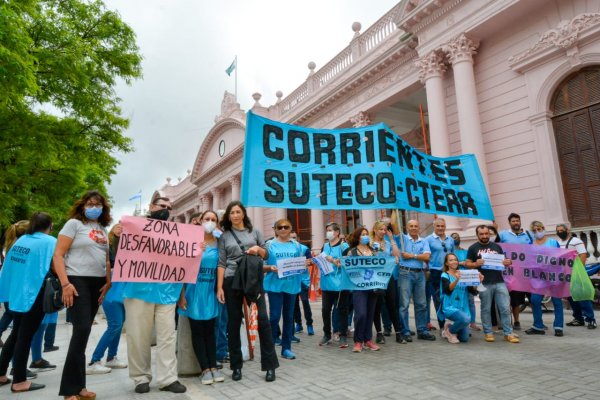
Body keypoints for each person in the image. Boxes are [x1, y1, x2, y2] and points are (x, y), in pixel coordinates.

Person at [121, 197, 186, 394]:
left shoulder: (177, 234)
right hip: (139, 290)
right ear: (151, 207)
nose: (165, 210)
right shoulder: (136, 227)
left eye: (169, 207)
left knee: (167, 336)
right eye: (161, 206)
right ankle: (140, 377)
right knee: (138, 335)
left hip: (167, 291)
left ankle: (168, 378)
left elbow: (183, 263)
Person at [52, 191, 113, 400]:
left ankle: (80, 387)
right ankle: (69, 390)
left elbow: (106, 260)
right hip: (77, 280)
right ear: (82, 205)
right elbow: (58, 255)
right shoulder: (73, 224)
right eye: (90, 203)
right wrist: (65, 283)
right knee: (82, 330)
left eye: (98, 204)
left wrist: (108, 282)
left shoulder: (102, 229)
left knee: (83, 335)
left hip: (97, 283)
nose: (94, 206)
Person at [216, 201, 278, 382]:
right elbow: (221, 262)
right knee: (233, 323)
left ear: (243, 213)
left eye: (238, 212)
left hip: (252, 279)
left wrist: (259, 249)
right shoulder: (224, 236)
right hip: (231, 279)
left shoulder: (255, 232)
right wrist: (219, 287)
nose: (235, 215)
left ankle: (270, 366)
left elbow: (266, 255)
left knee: (263, 320)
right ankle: (236, 366)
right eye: (231, 213)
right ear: (228, 216)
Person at [0, 212, 55, 393]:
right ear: (50, 225)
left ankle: (1, 373)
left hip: (15, 294)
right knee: (24, 337)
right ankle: (20, 381)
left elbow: (8, 268)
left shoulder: (21, 241)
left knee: (16, 334)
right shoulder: (49, 242)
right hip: (33, 295)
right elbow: (58, 264)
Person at [178, 210, 225, 385]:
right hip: (192, 292)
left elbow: (222, 265)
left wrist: (219, 288)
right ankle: (204, 369)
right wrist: (181, 296)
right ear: (200, 220)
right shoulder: (190, 241)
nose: (210, 222)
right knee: (197, 332)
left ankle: (213, 366)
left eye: (213, 219)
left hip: (210, 292)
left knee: (210, 331)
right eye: (207, 219)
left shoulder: (220, 243)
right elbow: (181, 270)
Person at [264, 220, 311, 360]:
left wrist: (306, 263)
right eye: (280, 227)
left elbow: (303, 263)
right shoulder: (269, 245)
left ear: (290, 229)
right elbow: (262, 265)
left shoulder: (297, 246)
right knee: (274, 316)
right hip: (274, 286)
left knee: (289, 317)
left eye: (286, 227)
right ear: (276, 229)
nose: (283, 229)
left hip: (292, 286)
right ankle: (270, 346)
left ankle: (286, 348)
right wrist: (269, 268)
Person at [465, 225, 519, 344]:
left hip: (499, 281)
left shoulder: (496, 246)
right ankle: (488, 332)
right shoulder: (472, 248)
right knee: (486, 309)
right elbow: (467, 263)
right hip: (483, 283)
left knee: (505, 308)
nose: (484, 236)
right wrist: (475, 264)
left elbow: (503, 261)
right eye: (481, 234)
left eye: (486, 233)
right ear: (477, 235)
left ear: (489, 234)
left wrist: (507, 262)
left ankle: (508, 333)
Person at [86, 223, 127, 374]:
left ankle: (111, 357)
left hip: (122, 294)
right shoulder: (106, 249)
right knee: (114, 326)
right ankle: (94, 360)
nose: (121, 230)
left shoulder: (129, 248)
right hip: (111, 293)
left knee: (118, 325)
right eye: (118, 227)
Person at [524, 221, 564, 337]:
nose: (537, 231)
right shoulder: (531, 244)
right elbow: (529, 260)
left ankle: (558, 327)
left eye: (539, 229)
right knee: (535, 300)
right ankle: (538, 326)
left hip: (553, 275)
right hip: (538, 277)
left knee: (557, 301)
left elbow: (560, 258)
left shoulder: (553, 242)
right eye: (534, 230)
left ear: (543, 228)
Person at [345, 227, 381, 353]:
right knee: (361, 314)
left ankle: (368, 340)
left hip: (372, 286)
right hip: (358, 287)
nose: (365, 236)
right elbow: (348, 268)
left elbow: (381, 266)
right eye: (362, 235)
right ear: (357, 237)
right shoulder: (352, 252)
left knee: (370, 314)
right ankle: (358, 341)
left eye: (366, 234)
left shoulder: (373, 250)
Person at [398, 220, 435, 342]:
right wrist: (418, 255)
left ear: (419, 228)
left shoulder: (424, 241)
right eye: (411, 226)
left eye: (416, 226)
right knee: (404, 304)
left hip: (420, 274)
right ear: (407, 228)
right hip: (405, 273)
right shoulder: (402, 239)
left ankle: (422, 330)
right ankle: (405, 331)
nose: (414, 228)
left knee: (422, 304)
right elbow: (394, 225)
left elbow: (427, 257)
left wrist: (411, 256)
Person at [495, 213, 532, 331]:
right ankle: (516, 321)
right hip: (511, 273)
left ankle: (538, 322)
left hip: (527, 271)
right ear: (509, 223)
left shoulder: (528, 235)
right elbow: (495, 247)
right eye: (513, 221)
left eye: (517, 221)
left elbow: (535, 249)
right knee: (515, 299)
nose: (516, 223)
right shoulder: (502, 235)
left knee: (533, 298)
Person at [556, 223, 596, 329]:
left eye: (561, 230)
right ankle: (578, 318)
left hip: (576, 272)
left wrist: (579, 272)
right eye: (558, 231)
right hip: (565, 273)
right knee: (571, 297)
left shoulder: (576, 241)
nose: (560, 232)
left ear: (567, 230)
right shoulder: (558, 243)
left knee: (582, 296)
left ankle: (591, 320)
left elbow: (583, 255)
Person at [370, 221, 404, 344]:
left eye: (385, 230)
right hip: (375, 278)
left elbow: (396, 254)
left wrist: (391, 238)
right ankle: (379, 333)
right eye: (381, 229)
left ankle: (398, 333)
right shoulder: (369, 243)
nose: (383, 232)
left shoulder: (387, 243)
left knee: (392, 305)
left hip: (388, 277)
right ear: (375, 230)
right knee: (377, 306)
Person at [318, 222, 350, 348]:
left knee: (342, 309)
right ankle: (327, 334)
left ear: (337, 232)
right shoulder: (324, 246)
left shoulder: (344, 246)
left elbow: (348, 262)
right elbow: (321, 260)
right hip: (327, 283)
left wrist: (337, 262)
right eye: (327, 230)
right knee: (325, 310)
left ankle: (342, 335)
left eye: (330, 230)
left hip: (341, 284)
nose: (328, 232)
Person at [439, 253, 483, 343]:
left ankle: (450, 326)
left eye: (455, 260)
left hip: (463, 307)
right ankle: (449, 332)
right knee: (466, 319)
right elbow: (448, 290)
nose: (454, 262)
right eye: (451, 260)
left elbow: (473, 291)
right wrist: (457, 280)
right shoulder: (444, 275)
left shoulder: (463, 273)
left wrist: (478, 282)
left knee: (464, 339)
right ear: (446, 263)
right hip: (450, 307)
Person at [0, 221, 29, 348]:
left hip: (9, 285)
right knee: (16, 321)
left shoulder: (11, 244)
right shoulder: (21, 246)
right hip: (15, 287)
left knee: (10, 314)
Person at [425, 218, 454, 332]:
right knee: (438, 300)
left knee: (451, 298)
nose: (440, 228)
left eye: (442, 226)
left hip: (449, 272)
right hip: (435, 273)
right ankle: (442, 327)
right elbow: (426, 257)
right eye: (438, 226)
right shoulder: (428, 239)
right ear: (434, 226)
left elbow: (453, 256)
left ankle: (454, 326)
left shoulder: (450, 240)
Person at [451, 232, 480, 331]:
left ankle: (472, 322)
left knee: (470, 301)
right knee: (458, 301)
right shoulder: (450, 253)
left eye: (457, 237)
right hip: (455, 280)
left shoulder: (466, 251)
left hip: (468, 280)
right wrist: (461, 263)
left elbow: (471, 263)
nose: (455, 239)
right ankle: (460, 322)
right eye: (453, 237)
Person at [290, 231, 314, 336]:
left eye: (295, 237)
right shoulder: (287, 249)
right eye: (291, 238)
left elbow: (311, 261)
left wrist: (308, 262)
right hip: (291, 280)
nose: (293, 239)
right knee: (294, 304)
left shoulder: (304, 248)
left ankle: (310, 324)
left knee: (305, 302)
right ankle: (298, 324)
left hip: (303, 280)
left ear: (298, 238)